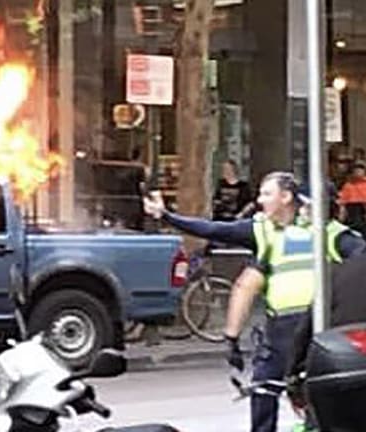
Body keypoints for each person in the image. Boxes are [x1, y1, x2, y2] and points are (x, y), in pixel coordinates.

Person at [143, 171, 364, 432]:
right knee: (264, 391)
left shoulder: (334, 235)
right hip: (282, 329)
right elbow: (217, 232)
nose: (260, 200)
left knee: (315, 398)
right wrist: (168, 216)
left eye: (266, 193)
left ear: (289, 198)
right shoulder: (265, 231)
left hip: (318, 329)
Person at [338, 161, 366, 236]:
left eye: (360, 170)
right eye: (356, 170)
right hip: (353, 214)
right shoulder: (348, 185)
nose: (358, 172)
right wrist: (341, 216)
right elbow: (343, 203)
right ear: (353, 172)